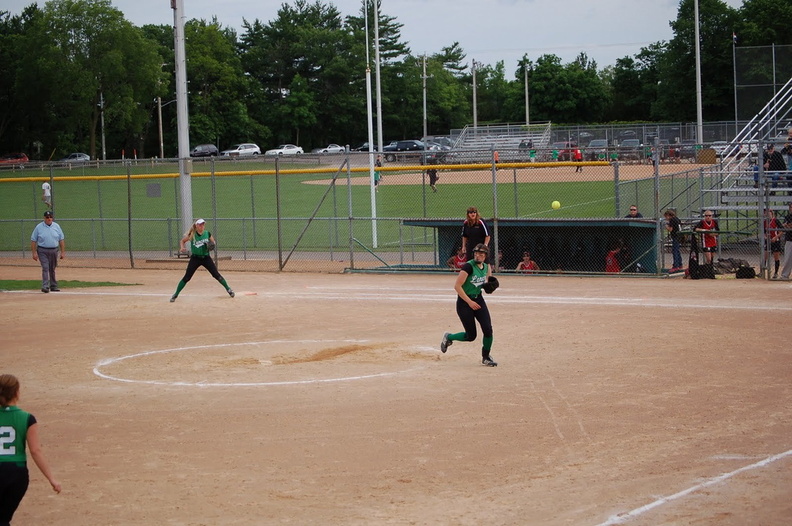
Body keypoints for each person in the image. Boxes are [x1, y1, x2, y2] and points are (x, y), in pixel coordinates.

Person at [0, 374, 61, 525]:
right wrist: (51, 478)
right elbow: (35, 451)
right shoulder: (27, 418)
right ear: (17, 393)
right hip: (16, 473)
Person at [440, 244, 498, 367]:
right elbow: (457, 286)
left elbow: (486, 284)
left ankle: (486, 357)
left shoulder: (487, 267)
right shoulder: (468, 267)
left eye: (481, 254)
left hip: (478, 299)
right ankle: (449, 337)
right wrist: (469, 302)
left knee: (488, 329)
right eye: (476, 253)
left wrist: (491, 286)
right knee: (471, 336)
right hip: (464, 302)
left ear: (485, 256)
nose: (478, 256)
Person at [170, 219, 234, 302]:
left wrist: (211, 245)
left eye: (203, 224)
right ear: (196, 226)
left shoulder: (207, 233)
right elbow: (182, 241)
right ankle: (175, 294)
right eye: (200, 225)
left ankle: (228, 289)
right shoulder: (192, 234)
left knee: (216, 275)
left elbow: (213, 242)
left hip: (206, 258)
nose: (202, 226)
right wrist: (182, 247)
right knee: (187, 278)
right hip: (195, 258)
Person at [30, 210, 65, 293]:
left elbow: (61, 240)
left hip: (54, 250)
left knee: (52, 268)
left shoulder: (56, 226)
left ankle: (53, 286)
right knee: (45, 267)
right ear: (44, 218)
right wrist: (34, 253)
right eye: (47, 217)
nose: (49, 219)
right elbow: (33, 240)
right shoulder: (39, 227)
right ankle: (45, 286)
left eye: (50, 217)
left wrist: (62, 252)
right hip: (42, 250)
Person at [764, 209, 783, 279]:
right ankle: (763, 271)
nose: (767, 214)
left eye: (768, 213)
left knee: (776, 257)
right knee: (765, 255)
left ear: (771, 213)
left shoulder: (776, 220)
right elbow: (764, 232)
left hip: (776, 241)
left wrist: (775, 237)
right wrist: (766, 237)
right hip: (768, 241)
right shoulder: (765, 222)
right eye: (766, 213)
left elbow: (782, 231)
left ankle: (776, 273)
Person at [779, 204, 792, 281]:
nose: (790, 209)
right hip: (789, 239)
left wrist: (789, 225)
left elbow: (789, 225)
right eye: (790, 207)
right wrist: (788, 225)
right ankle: (785, 275)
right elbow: (784, 225)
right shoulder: (788, 216)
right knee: (788, 258)